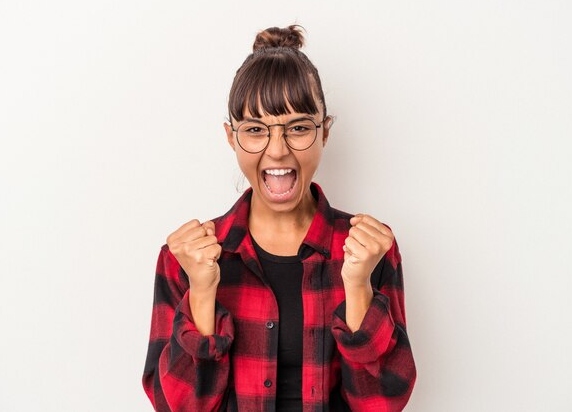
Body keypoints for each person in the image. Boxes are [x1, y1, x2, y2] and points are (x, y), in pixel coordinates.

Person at [142, 24, 417, 412]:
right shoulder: (185, 259)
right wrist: (201, 294)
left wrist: (358, 289)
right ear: (230, 136)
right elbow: (177, 407)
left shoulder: (369, 250)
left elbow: (383, 403)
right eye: (255, 130)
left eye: (299, 128)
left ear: (325, 133)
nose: (277, 151)